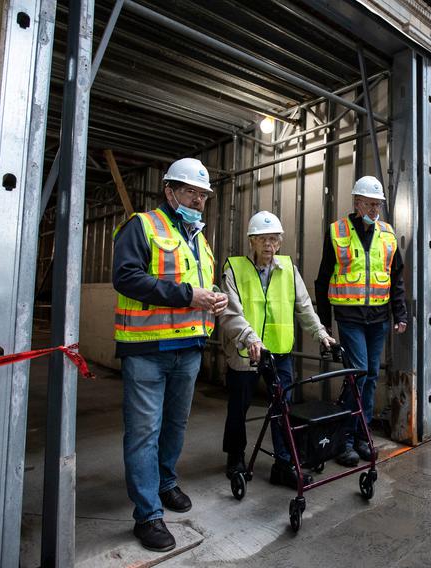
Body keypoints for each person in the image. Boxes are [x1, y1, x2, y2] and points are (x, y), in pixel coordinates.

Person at [113, 157, 228, 552]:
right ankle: (147, 515)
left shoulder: (200, 239)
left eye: (203, 194)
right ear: (170, 190)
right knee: (144, 431)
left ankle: (165, 484)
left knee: (175, 426)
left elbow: (198, 286)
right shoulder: (142, 226)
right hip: (147, 350)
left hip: (190, 347)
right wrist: (187, 296)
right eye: (191, 192)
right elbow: (126, 276)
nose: (198, 200)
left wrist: (213, 299)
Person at [219, 211, 334, 488]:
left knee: (283, 407)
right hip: (246, 354)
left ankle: (283, 464)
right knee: (239, 407)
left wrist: (320, 333)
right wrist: (249, 338)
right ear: (251, 241)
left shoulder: (287, 268)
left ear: (280, 243)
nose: (269, 245)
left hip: (278, 353)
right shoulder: (234, 268)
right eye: (263, 239)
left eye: (274, 240)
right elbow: (230, 313)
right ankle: (235, 458)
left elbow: (304, 307)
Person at [315, 176, 408, 467]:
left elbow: (396, 278)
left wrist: (400, 313)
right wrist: (324, 322)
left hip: (378, 317)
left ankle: (360, 435)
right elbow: (323, 278)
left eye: (378, 204)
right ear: (356, 202)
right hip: (350, 317)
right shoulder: (337, 231)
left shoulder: (387, 234)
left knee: (367, 377)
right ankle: (345, 440)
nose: (374, 209)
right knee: (360, 374)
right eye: (369, 203)